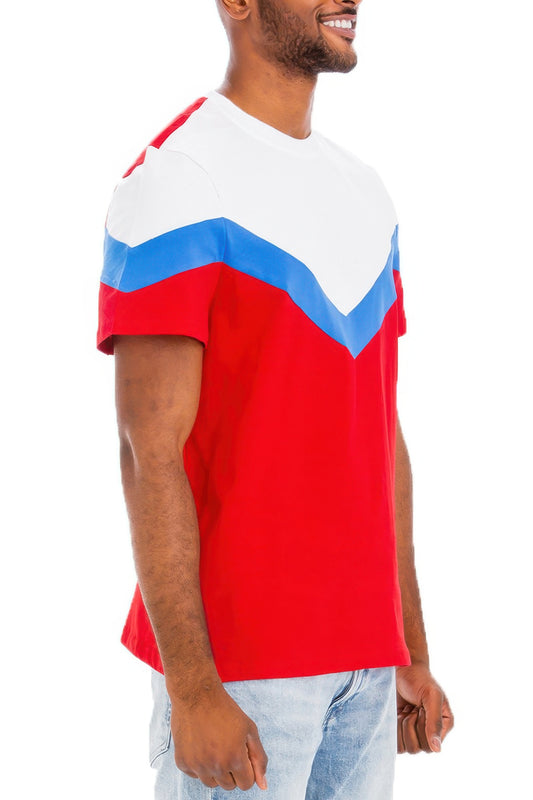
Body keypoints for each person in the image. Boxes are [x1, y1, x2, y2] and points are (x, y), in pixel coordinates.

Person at [96, 0, 454, 797]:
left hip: (366, 666)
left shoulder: (365, 192)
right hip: (242, 671)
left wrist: (409, 649)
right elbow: (147, 450)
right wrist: (193, 689)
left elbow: (379, 433)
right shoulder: (178, 180)